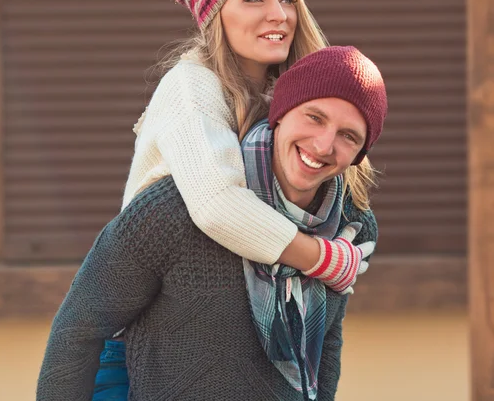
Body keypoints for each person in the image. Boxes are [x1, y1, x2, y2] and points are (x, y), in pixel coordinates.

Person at [36, 46, 388, 401]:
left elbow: (325, 342)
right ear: (280, 112)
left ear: (359, 154)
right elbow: (78, 328)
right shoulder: (173, 208)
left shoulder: (350, 226)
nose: (324, 144)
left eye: (349, 136)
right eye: (314, 117)